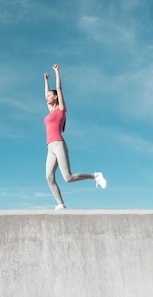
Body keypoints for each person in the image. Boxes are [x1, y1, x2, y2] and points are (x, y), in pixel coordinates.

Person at [44, 64, 107, 210]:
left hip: (59, 144)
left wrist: (57, 72)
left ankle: (95, 176)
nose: (47, 97)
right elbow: (46, 95)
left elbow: (59, 89)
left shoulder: (61, 109)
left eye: (49, 95)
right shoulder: (51, 110)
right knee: (49, 177)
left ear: (55, 97)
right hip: (50, 146)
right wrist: (46, 81)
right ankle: (61, 204)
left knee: (68, 177)